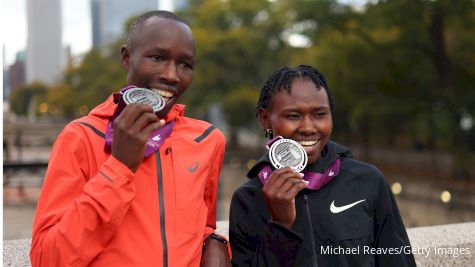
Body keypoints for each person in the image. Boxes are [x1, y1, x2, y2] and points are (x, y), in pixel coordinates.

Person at [31, 10, 231, 267]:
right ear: (127, 58)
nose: (171, 75)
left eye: (185, 64)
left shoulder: (208, 140)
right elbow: (47, 259)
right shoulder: (80, 137)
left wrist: (215, 241)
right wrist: (119, 168)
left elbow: (199, 227)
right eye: (157, 57)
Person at [229, 65, 416, 267]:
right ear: (266, 119)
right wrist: (280, 225)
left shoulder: (368, 180)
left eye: (319, 114)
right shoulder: (248, 199)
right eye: (293, 116)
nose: (309, 128)